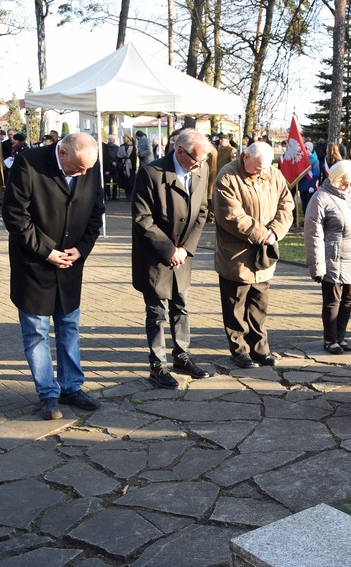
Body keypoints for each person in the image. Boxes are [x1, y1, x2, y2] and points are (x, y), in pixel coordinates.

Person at [2, 133, 105, 420]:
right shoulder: (28, 164)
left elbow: (96, 213)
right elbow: (14, 216)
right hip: (35, 265)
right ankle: (48, 394)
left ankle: (72, 387)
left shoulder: (88, 165)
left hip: (70, 266)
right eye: (79, 168)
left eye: (88, 169)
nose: (84, 173)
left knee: (69, 328)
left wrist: (81, 250)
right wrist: (47, 251)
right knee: (36, 332)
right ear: (62, 153)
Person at [131, 128, 214, 388]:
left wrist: (186, 249)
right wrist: (169, 250)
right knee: (156, 313)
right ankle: (158, 367)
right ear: (179, 151)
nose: (200, 165)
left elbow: (202, 211)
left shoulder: (202, 169)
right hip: (155, 256)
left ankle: (182, 356)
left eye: (203, 161)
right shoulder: (150, 173)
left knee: (181, 307)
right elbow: (142, 218)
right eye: (196, 159)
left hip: (182, 256)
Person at [213, 140, 295, 368]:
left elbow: (287, 205)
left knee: (259, 306)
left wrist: (275, 231)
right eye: (258, 167)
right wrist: (261, 234)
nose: (262, 172)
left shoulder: (274, 174)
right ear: (245, 157)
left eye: (266, 167)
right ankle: (239, 351)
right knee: (236, 307)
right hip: (235, 256)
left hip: (264, 255)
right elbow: (230, 216)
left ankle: (260, 350)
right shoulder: (227, 177)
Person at [304, 159, 351, 354]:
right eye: (346, 181)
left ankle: (342, 337)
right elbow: (313, 234)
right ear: (336, 177)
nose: (349, 186)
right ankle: (330, 339)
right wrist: (317, 266)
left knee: (349, 300)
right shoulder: (321, 198)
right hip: (332, 260)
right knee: (333, 301)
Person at [116, 135, 137, 200]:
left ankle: (131, 195)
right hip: (123, 166)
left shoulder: (133, 147)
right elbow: (119, 157)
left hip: (130, 166)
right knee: (124, 182)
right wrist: (119, 165)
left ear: (128, 138)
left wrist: (134, 167)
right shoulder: (121, 146)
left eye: (125, 138)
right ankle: (127, 196)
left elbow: (134, 158)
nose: (124, 139)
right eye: (123, 138)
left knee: (131, 182)